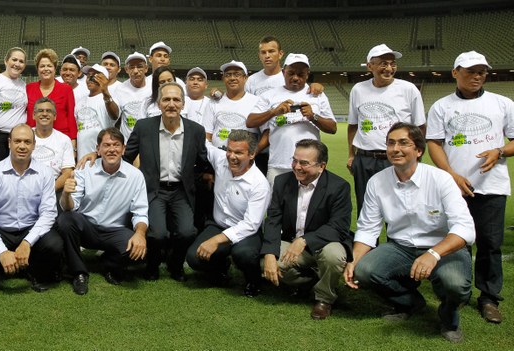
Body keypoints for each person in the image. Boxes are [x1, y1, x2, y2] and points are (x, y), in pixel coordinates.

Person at [344, 123, 476, 343]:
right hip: (401, 247)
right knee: (364, 270)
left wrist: (433, 254)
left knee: (455, 284)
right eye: (391, 143)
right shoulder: (377, 182)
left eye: (403, 143)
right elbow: (368, 227)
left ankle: (449, 317)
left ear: (419, 150)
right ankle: (409, 302)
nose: (395, 148)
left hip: (443, 247)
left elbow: (465, 229)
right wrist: (354, 259)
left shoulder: (441, 179)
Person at [426, 51, 513, 325]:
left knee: (489, 243)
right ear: (455, 73)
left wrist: (499, 151)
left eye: (482, 72)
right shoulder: (441, 106)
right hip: (452, 188)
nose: (477, 77)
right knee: (454, 240)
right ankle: (453, 291)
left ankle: (488, 297)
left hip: (492, 185)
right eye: (470, 71)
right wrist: (451, 175)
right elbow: (434, 143)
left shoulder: (503, 103)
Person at [124, 82, 209, 282]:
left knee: (188, 232)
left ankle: (175, 264)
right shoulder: (144, 127)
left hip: (181, 191)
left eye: (176, 99)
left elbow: (202, 161)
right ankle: (152, 265)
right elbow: (127, 157)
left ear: (183, 104)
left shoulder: (196, 130)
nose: (171, 104)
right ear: (159, 103)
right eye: (167, 99)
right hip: (154, 190)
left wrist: (207, 175)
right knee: (158, 234)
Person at [262, 139, 352, 320]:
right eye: (294, 160)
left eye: (304, 163)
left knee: (334, 256)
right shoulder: (282, 181)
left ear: (322, 166)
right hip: (293, 242)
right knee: (266, 264)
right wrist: (269, 254)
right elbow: (273, 219)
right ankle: (310, 282)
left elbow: (338, 227)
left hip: (325, 243)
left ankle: (324, 299)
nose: (297, 167)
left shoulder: (339, 186)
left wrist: (304, 240)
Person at [0, 125, 63, 292]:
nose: (22, 146)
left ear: (34, 145)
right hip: (2, 230)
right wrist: (2, 251)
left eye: (27, 142)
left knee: (54, 244)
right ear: (9, 143)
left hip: (30, 228)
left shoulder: (45, 173)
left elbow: (48, 214)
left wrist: (27, 242)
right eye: (17, 141)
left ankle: (35, 273)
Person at [58, 128, 148, 295]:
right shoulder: (85, 169)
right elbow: (70, 208)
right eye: (106, 145)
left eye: (116, 145)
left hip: (114, 231)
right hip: (87, 227)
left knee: (137, 249)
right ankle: (78, 273)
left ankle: (109, 263)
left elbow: (140, 211)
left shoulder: (135, 176)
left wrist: (140, 234)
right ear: (98, 149)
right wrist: (65, 194)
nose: (112, 149)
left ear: (124, 149)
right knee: (66, 219)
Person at [186, 130, 270, 297]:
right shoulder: (220, 159)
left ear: (252, 154)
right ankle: (220, 270)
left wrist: (216, 240)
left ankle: (254, 281)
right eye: (229, 150)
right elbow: (205, 145)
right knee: (193, 258)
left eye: (239, 152)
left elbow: (251, 224)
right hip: (218, 224)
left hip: (246, 231)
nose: (232, 156)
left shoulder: (260, 184)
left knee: (244, 254)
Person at [347, 44, 425, 215]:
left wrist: (417, 156)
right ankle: (368, 243)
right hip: (365, 159)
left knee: (400, 209)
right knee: (366, 208)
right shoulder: (358, 90)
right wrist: (352, 155)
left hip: (397, 158)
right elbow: (353, 125)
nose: (389, 68)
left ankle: (397, 243)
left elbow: (420, 127)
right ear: (370, 66)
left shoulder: (408, 89)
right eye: (383, 63)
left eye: (392, 63)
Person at [248, 54, 336, 186]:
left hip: (310, 166)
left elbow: (332, 128)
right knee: (275, 205)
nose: (295, 77)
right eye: (291, 73)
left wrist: (313, 117)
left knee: (309, 205)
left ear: (307, 74)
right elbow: (250, 122)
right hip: (278, 164)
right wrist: (274, 112)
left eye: (301, 74)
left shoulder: (317, 95)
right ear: (283, 72)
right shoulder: (269, 95)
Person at [245, 36, 324, 174]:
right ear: (259, 55)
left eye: (271, 51)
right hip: (261, 144)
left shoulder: (290, 77)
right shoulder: (252, 80)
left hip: (277, 143)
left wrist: (316, 85)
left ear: (281, 54)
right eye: (263, 52)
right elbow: (247, 109)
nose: (267, 56)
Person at [203, 60, 259, 150]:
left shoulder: (256, 102)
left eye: (237, 74)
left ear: (245, 78)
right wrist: (214, 155)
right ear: (223, 78)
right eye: (228, 75)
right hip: (217, 157)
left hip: (245, 158)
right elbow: (207, 135)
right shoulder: (213, 102)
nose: (232, 78)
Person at [26, 49, 77, 144]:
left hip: (60, 139)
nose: (46, 69)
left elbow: (71, 116)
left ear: (55, 69)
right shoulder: (28, 88)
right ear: (37, 69)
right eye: (42, 66)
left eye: (49, 66)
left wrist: (73, 139)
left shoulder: (66, 89)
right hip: (33, 139)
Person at [30, 98, 75, 199]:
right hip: (26, 187)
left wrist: (49, 191)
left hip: (53, 190)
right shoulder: (25, 136)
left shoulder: (64, 140)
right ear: (33, 115)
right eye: (40, 111)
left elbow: (67, 172)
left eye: (49, 111)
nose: (44, 114)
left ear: (55, 116)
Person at [75, 64, 119, 160]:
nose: (90, 78)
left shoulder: (110, 99)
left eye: (95, 75)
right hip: (82, 158)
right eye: (88, 75)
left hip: (102, 157)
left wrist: (106, 93)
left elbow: (115, 115)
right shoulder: (80, 102)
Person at [114, 52, 152, 141]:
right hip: (128, 143)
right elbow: (116, 118)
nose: (135, 71)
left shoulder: (154, 86)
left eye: (139, 66)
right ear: (126, 69)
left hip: (149, 141)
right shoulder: (119, 89)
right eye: (131, 67)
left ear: (146, 68)